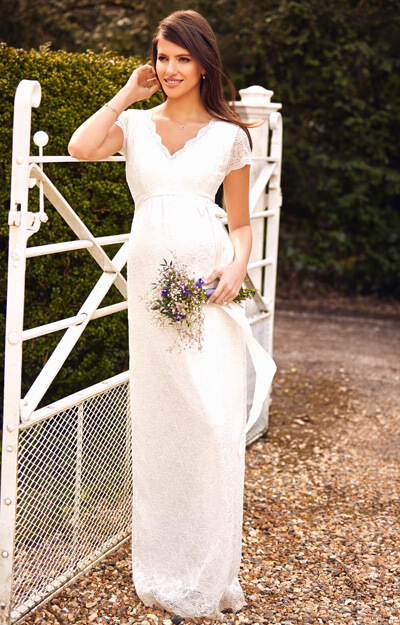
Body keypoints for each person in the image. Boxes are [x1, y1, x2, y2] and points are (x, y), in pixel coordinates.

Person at [68, 10, 256, 619]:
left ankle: (209, 566)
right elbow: (80, 147)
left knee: (212, 421)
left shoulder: (231, 137)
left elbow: (242, 223)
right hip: (152, 297)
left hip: (208, 294)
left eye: (182, 59)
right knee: (161, 422)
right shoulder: (137, 126)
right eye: (162, 57)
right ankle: (166, 566)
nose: (170, 69)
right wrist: (127, 91)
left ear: (204, 63)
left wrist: (237, 267)